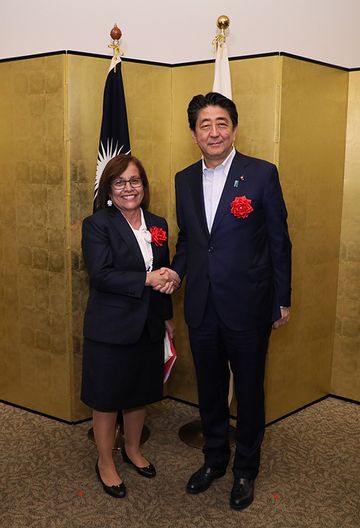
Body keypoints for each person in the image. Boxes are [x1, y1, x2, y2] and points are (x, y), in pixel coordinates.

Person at [171, 92, 292, 510]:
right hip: (202, 304)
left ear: (234, 128)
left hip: (249, 304)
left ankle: (246, 469)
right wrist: (175, 270)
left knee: (250, 392)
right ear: (193, 134)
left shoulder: (261, 174)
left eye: (221, 123)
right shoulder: (183, 179)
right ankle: (215, 459)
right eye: (205, 124)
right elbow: (189, 239)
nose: (214, 131)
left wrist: (282, 298)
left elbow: (279, 240)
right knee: (209, 389)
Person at [81, 154, 179, 498]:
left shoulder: (158, 222)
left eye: (134, 181)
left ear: (144, 186)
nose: (128, 188)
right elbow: (102, 274)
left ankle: (134, 450)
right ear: (108, 188)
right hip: (110, 327)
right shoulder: (97, 224)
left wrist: (168, 298)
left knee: (139, 395)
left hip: (149, 324)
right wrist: (150, 278)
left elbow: (163, 270)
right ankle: (105, 462)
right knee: (107, 398)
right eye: (120, 182)